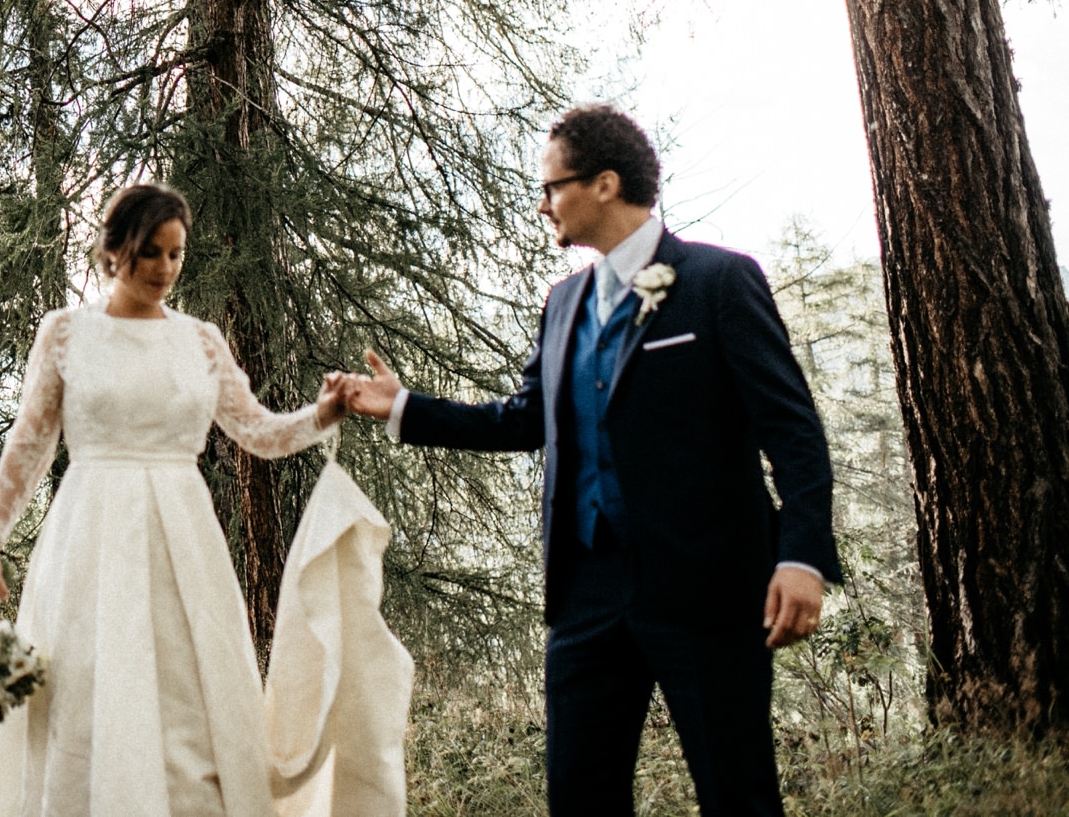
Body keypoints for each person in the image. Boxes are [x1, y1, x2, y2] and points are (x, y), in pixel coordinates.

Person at [336, 105, 839, 817]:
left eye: (552, 187)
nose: (543, 205)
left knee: (738, 793)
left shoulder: (719, 282)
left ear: (604, 184)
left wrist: (802, 557)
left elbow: (792, 432)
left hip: (707, 588)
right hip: (586, 593)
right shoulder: (564, 302)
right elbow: (525, 420)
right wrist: (401, 406)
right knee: (580, 797)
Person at [0, 182, 347, 817]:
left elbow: (256, 429)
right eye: (152, 253)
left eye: (177, 255)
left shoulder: (200, 340)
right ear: (115, 252)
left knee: (187, 709)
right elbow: (28, 446)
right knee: (86, 698)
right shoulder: (65, 334)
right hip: (89, 537)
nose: (166, 269)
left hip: (182, 540)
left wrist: (323, 413)